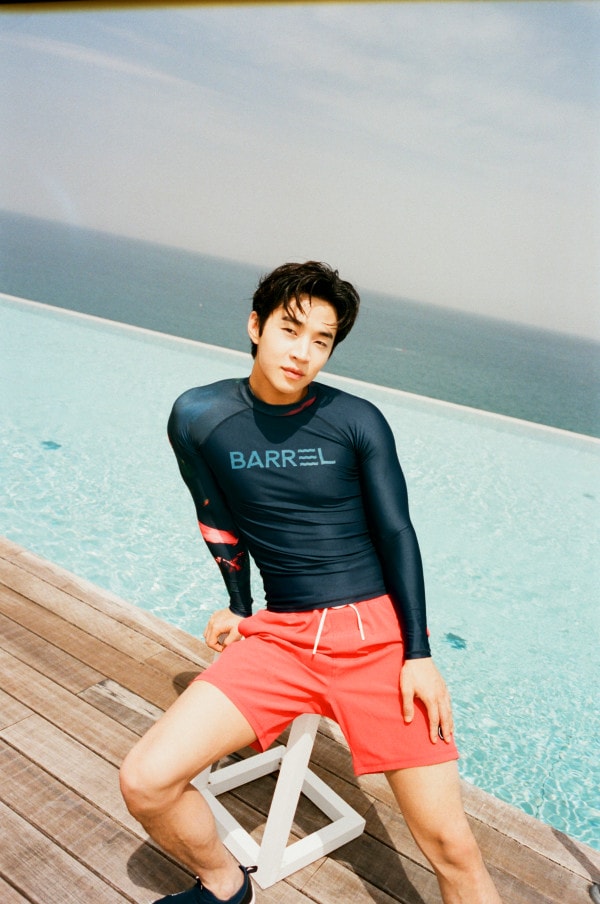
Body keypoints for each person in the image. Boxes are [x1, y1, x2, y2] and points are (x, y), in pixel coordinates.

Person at [120, 261, 502, 904]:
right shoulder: (198, 415)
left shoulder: (357, 420)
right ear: (256, 326)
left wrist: (418, 654)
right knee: (145, 780)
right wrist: (240, 605)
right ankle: (224, 884)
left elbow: (397, 533)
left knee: (452, 848)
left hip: (378, 640)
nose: (303, 352)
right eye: (290, 330)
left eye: (321, 340)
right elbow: (215, 515)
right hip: (283, 637)